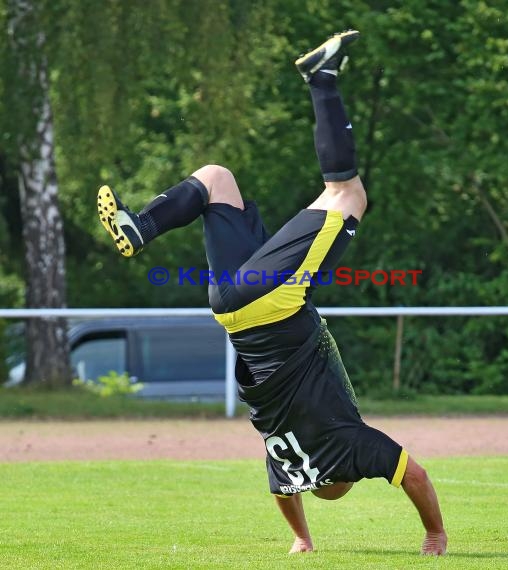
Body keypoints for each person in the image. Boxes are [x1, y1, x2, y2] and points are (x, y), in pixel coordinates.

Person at [97, 30, 447, 556]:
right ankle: (139, 227)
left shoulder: (350, 447)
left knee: (347, 193)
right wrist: (301, 538)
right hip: (227, 311)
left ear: (345, 474)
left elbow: (415, 477)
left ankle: (322, 77)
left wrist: (435, 534)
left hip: (269, 302)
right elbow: (283, 490)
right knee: (217, 179)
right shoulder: (283, 454)